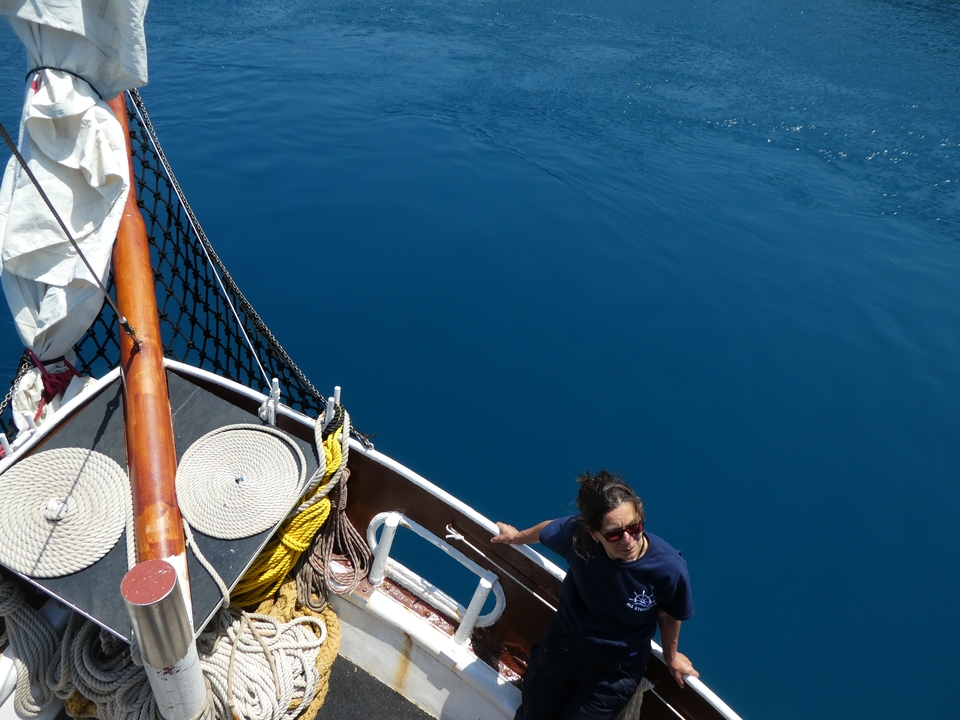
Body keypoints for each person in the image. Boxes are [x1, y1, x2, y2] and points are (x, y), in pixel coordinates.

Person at [491, 470, 698, 720]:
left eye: (635, 527)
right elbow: (548, 529)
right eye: (613, 534)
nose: (627, 540)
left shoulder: (668, 568)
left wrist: (671, 655)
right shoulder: (577, 538)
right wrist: (516, 537)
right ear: (593, 533)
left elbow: (668, 613)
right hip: (563, 646)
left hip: (615, 670)